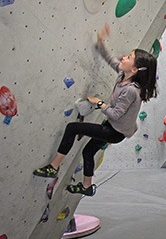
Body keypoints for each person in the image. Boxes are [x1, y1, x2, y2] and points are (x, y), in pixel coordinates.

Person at [33, 24, 158, 196]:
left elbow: (115, 113)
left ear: (134, 69)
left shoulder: (131, 90)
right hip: (113, 126)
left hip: (114, 132)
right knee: (88, 151)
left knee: (72, 128)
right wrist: (100, 41)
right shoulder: (123, 75)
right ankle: (87, 186)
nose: (123, 58)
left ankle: (53, 167)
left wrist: (98, 103)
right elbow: (110, 59)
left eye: (128, 57)